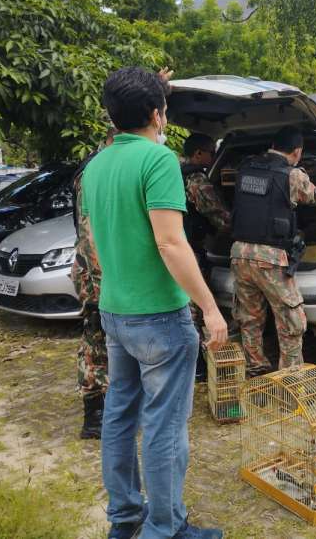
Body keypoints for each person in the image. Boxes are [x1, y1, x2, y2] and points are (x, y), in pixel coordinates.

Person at [81, 66, 227, 539]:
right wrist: (209, 307)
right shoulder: (158, 160)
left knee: (120, 419)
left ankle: (124, 520)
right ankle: (164, 529)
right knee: (165, 427)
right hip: (160, 319)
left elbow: (98, 249)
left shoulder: (96, 165)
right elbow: (171, 244)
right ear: (156, 115)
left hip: (115, 313)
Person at [230, 126, 316, 376]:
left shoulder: (246, 168)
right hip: (270, 257)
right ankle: (291, 380)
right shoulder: (293, 175)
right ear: (296, 152)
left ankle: (256, 369)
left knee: (249, 318)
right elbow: (315, 198)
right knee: (291, 321)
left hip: (239, 254)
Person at [72, 126, 116, 440]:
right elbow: (89, 236)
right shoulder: (96, 171)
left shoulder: (99, 166)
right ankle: (95, 415)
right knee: (96, 338)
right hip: (95, 271)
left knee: (102, 339)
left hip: (99, 268)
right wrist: (100, 285)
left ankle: (104, 408)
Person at [181, 133, 231, 380]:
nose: (213, 157)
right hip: (189, 252)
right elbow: (219, 215)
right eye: (211, 152)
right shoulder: (196, 180)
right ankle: (197, 366)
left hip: (178, 248)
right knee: (195, 310)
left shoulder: (173, 173)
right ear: (198, 154)